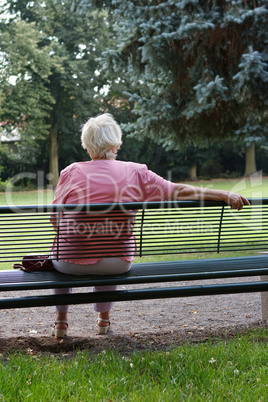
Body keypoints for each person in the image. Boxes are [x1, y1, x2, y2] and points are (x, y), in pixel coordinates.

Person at [50, 113, 249, 338]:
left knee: (61, 245)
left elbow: (55, 219)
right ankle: (103, 322)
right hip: (116, 263)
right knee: (111, 246)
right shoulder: (136, 172)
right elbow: (179, 191)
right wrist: (224, 194)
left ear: (87, 146)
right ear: (116, 144)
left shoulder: (71, 172)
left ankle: (60, 322)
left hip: (70, 263)